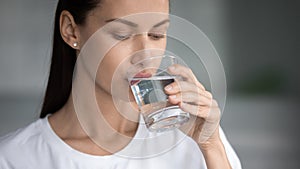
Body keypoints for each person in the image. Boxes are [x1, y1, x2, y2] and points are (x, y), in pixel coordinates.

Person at [0, 0, 241, 168]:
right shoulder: (13, 158)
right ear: (71, 31)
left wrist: (212, 147)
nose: (145, 55)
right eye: (122, 35)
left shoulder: (194, 142)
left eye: (156, 35)